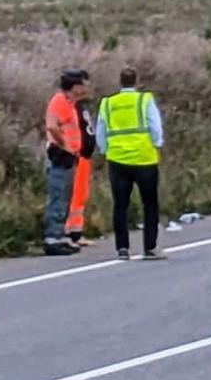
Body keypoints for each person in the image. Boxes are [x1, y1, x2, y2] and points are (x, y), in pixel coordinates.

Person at [97, 66, 165, 261]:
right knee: (150, 204)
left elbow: (101, 130)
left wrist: (105, 150)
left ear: (120, 82)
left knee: (120, 205)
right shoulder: (144, 100)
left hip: (117, 159)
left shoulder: (108, 103)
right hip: (144, 158)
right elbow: (155, 126)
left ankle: (122, 248)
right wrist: (157, 144)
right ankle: (150, 247)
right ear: (136, 81)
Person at [41, 70, 92, 256]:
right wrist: (63, 144)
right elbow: (52, 125)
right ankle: (53, 237)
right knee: (58, 196)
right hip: (60, 156)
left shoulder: (70, 103)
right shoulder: (60, 101)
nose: (85, 88)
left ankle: (60, 234)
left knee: (65, 197)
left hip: (70, 156)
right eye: (82, 84)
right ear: (75, 85)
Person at [66, 87, 98, 247]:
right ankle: (71, 232)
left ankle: (76, 231)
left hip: (84, 157)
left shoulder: (82, 108)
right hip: (77, 156)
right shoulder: (72, 108)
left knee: (81, 195)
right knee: (75, 195)